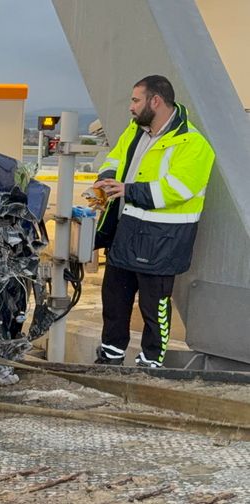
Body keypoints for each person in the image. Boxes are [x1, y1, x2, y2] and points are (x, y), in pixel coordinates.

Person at [91, 75, 215, 368]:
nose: (131, 107)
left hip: (163, 240)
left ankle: (150, 364)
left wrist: (128, 190)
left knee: (154, 306)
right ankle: (110, 357)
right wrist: (104, 182)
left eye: (136, 100)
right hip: (127, 233)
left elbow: (178, 189)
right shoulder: (135, 132)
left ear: (155, 101)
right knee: (114, 299)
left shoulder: (193, 144)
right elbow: (114, 160)